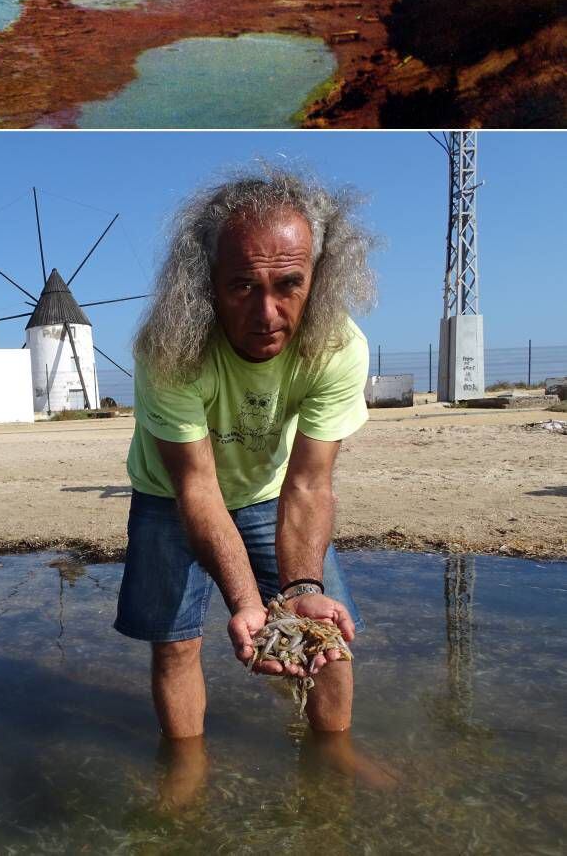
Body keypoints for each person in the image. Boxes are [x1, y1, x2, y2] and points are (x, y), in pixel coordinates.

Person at [114, 165, 393, 790]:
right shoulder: (170, 347)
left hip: (272, 492)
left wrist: (298, 587)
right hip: (171, 494)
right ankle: (185, 773)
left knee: (328, 630)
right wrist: (245, 603)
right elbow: (197, 487)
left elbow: (310, 485)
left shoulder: (338, 347)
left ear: (318, 280)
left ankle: (334, 755)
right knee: (175, 640)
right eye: (241, 286)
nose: (267, 313)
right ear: (206, 285)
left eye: (289, 284)